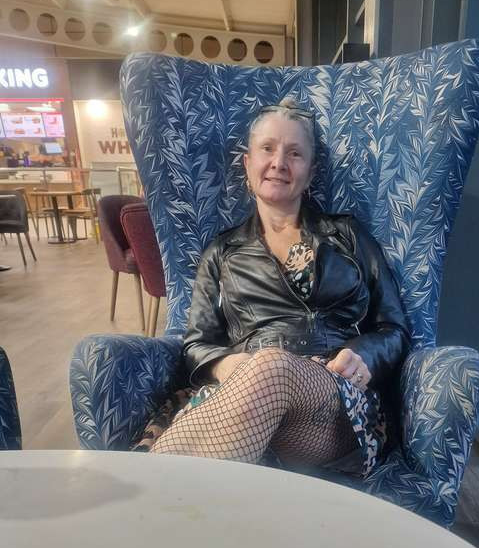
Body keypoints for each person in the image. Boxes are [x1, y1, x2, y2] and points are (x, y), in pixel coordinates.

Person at [148, 98, 408, 478]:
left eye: (295, 153)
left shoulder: (348, 236)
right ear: (247, 163)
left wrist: (365, 353)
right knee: (265, 370)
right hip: (245, 397)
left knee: (272, 365)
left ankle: (147, 495)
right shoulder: (221, 252)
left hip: (334, 404)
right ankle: (165, 500)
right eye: (267, 148)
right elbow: (196, 342)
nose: (279, 162)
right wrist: (226, 364)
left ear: (311, 172)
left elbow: (394, 327)